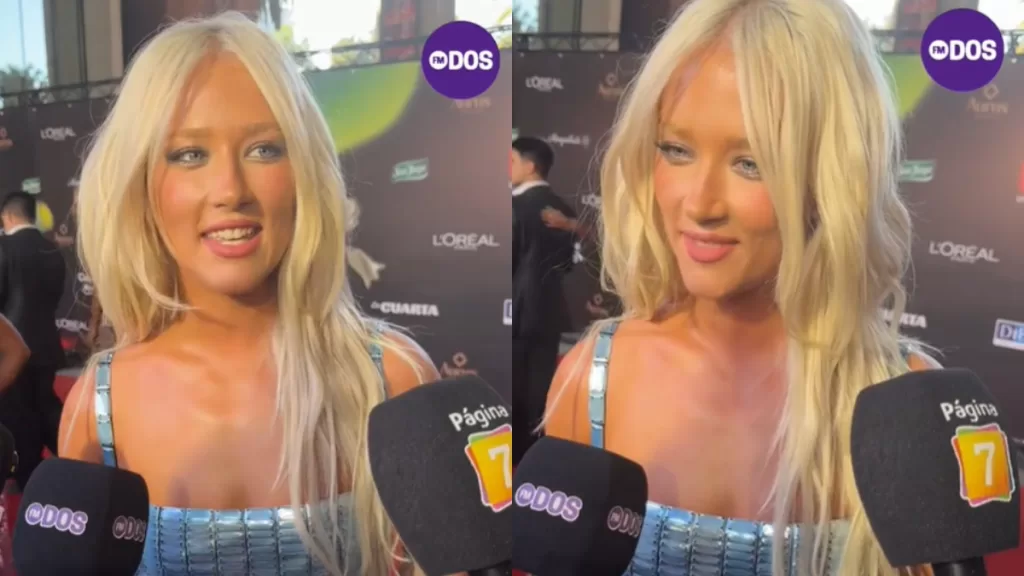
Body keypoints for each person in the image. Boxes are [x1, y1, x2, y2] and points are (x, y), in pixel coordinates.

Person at [544, 1, 941, 575]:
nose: (700, 203)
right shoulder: (591, 379)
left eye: (751, 163)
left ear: (830, 178)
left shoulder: (906, 404)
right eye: (676, 150)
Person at [61, 13, 443, 576]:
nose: (230, 190)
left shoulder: (393, 380)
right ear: (139, 183)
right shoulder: (100, 406)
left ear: (305, 171)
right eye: (189, 154)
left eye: (264, 149)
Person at [511, 136, 576, 465]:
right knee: (540, 391)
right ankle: (535, 463)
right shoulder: (564, 209)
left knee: (514, 390)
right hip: (548, 312)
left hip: (515, 313)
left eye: (510, 160)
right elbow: (567, 264)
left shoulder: (513, 207)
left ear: (530, 166)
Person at [0, 191, 67, 463]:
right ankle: (71, 454)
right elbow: (55, 296)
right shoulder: (53, 250)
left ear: (8, 216)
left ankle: (26, 470)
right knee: (45, 406)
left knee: (19, 415)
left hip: (9, 350)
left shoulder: (4, 248)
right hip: (48, 345)